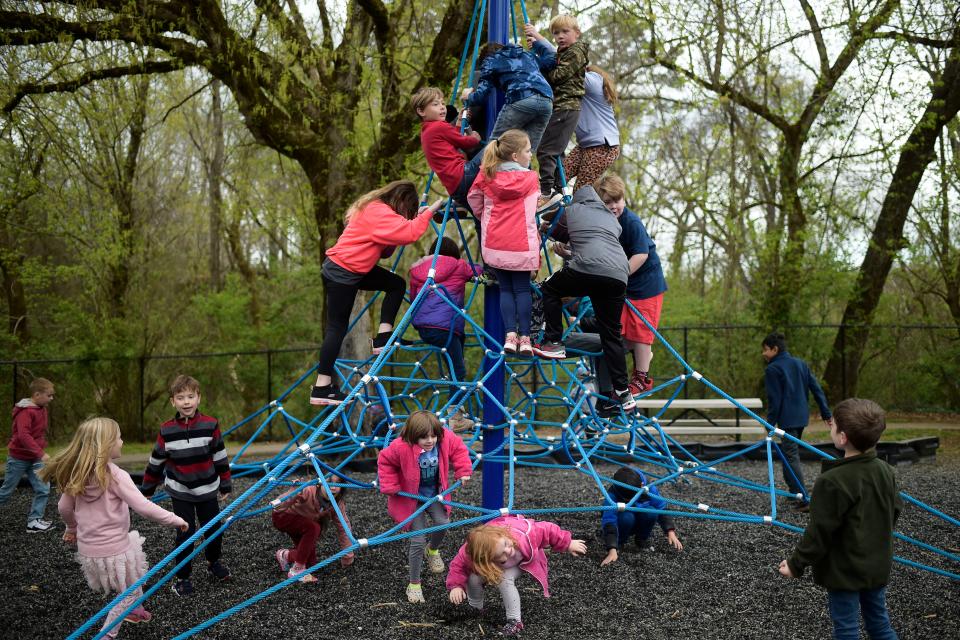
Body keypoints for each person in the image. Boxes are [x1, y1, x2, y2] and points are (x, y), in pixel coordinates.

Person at [41, 417, 188, 639]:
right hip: (115, 550)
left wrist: (72, 528)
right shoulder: (116, 475)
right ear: (106, 444)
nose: (122, 441)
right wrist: (175, 519)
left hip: (90, 551)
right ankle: (108, 635)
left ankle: (136, 612)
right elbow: (143, 507)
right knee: (132, 590)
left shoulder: (77, 474)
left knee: (131, 570)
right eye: (118, 437)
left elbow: (63, 507)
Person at [779, 398, 903, 640]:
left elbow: (819, 532)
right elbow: (894, 510)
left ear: (842, 437)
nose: (830, 428)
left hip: (844, 569)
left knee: (846, 629)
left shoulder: (833, 481)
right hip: (876, 564)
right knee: (879, 624)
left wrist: (796, 564)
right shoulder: (887, 472)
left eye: (832, 425)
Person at [314, 180, 442, 405]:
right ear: (402, 202)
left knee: (395, 284)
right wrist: (429, 212)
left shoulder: (374, 208)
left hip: (352, 269)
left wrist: (415, 217)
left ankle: (383, 338)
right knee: (337, 328)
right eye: (408, 211)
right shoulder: (377, 211)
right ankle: (321, 387)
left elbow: (385, 249)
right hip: (343, 272)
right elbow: (410, 233)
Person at [533, 186, 635, 416]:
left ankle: (553, 341)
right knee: (611, 333)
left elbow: (560, 230)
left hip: (587, 268)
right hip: (619, 274)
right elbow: (595, 238)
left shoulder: (572, 209)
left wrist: (544, 228)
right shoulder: (612, 219)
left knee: (549, 289)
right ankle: (623, 390)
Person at [141, 375, 233, 596]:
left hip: (207, 488)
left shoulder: (210, 424)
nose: (186, 402)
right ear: (173, 402)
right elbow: (156, 461)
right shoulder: (167, 430)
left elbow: (220, 455)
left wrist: (225, 484)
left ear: (198, 398)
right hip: (181, 490)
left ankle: (213, 562)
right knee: (185, 532)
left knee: (213, 529)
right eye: (180, 397)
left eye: (190, 396)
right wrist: (147, 489)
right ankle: (182, 577)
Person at [377, 410, 473, 604]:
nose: (430, 440)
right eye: (424, 437)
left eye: (433, 436)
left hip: (434, 493)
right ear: (413, 436)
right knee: (418, 540)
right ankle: (414, 583)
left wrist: (463, 471)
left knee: (442, 522)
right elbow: (385, 461)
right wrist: (390, 485)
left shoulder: (445, 439)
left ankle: (433, 550)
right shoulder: (401, 446)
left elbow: (460, 450)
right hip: (410, 498)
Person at [446, 515, 587, 636]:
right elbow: (457, 566)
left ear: (504, 535)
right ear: (485, 559)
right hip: (493, 567)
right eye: (501, 554)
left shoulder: (524, 535)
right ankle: (476, 608)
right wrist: (456, 586)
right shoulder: (470, 553)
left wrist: (567, 543)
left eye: (506, 544)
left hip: (522, 562)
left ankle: (515, 621)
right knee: (473, 578)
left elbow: (547, 529)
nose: (509, 551)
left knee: (504, 578)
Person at [468, 130, 541, 356]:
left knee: (506, 290)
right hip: (521, 244)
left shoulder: (486, 175)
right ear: (516, 157)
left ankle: (510, 336)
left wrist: (484, 217)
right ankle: (526, 338)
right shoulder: (530, 178)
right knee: (522, 290)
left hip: (495, 242)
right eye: (528, 150)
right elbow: (537, 205)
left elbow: (473, 199)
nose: (531, 155)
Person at [595, 174, 667, 396]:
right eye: (608, 202)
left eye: (617, 200)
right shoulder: (604, 223)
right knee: (624, 331)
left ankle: (642, 377)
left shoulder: (631, 222)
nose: (614, 206)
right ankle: (640, 359)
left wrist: (619, 274)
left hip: (646, 284)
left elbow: (641, 255)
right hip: (627, 284)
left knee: (641, 331)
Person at [408, 237, 481, 430]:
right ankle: (455, 416)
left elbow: (414, 299)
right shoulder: (459, 265)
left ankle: (456, 411)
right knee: (458, 371)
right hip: (446, 329)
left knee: (454, 358)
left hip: (424, 328)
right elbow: (480, 272)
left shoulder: (418, 270)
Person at [762, 332, 832, 510]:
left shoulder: (773, 369)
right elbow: (817, 390)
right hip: (801, 417)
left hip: (787, 419)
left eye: (765, 350)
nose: (763, 353)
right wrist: (826, 413)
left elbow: (774, 399)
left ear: (775, 349)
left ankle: (804, 498)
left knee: (791, 455)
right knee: (788, 454)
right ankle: (795, 492)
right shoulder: (800, 364)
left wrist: (769, 422)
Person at [525, 15, 589, 207]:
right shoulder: (564, 52)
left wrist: (536, 66)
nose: (560, 36)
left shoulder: (576, 51)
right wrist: (537, 45)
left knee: (546, 150)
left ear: (577, 33)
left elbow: (559, 75)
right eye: (556, 33)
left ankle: (547, 190)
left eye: (565, 32)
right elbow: (552, 57)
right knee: (556, 152)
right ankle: (559, 188)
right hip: (560, 107)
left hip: (566, 107)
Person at [461, 42, 554, 157]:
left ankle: (474, 174)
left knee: (495, 144)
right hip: (547, 100)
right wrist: (536, 43)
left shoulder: (490, 60)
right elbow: (551, 60)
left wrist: (467, 97)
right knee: (526, 150)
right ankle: (520, 174)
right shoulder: (526, 55)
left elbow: (481, 95)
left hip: (521, 97)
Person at [271, 477, 355, 584]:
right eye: (328, 482)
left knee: (311, 563)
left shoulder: (336, 503)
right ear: (320, 483)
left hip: (302, 524)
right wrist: (292, 493)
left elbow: (344, 528)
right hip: (283, 517)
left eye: (338, 484)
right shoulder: (308, 490)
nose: (333, 487)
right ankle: (297, 571)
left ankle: (285, 555)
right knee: (314, 528)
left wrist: (348, 557)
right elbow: (278, 506)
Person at [412, 87, 482, 209]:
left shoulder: (426, 132)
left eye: (443, 103)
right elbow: (464, 142)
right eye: (435, 104)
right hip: (463, 175)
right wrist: (475, 138)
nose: (442, 107)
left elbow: (452, 139)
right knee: (496, 148)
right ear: (421, 111)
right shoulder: (439, 126)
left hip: (455, 191)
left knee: (480, 218)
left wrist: (459, 122)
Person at [0, 377, 56, 533]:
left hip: (35, 458)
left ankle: (34, 521)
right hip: (18, 458)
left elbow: (38, 433)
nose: (51, 398)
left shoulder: (41, 409)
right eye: (49, 395)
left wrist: (40, 451)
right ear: (37, 394)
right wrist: (41, 453)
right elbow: (24, 436)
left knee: (43, 489)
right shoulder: (25, 412)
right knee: (6, 491)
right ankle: (34, 520)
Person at [599, 466, 682, 566]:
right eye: (627, 500)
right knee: (626, 518)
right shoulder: (612, 494)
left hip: (641, 519)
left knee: (651, 512)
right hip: (625, 520)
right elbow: (609, 521)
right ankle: (620, 542)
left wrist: (670, 531)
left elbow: (661, 507)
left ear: (641, 486)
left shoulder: (648, 488)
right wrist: (612, 548)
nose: (630, 502)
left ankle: (641, 539)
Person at [563, 66, 620, 191]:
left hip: (602, 146)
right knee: (560, 175)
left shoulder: (594, 81)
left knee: (581, 190)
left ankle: (582, 209)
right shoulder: (585, 93)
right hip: (587, 145)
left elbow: (573, 72)